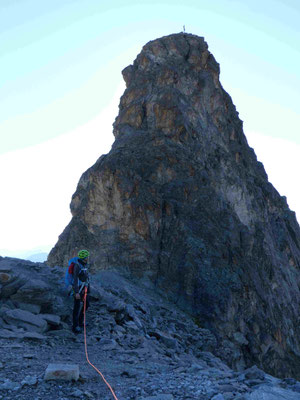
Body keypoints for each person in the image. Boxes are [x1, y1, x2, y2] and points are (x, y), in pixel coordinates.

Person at [70, 249, 90, 334]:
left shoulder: (85, 265)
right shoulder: (77, 266)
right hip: (78, 288)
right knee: (77, 307)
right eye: (87, 257)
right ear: (84, 258)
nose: (88, 258)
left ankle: (80, 321)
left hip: (84, 287)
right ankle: (75, 326)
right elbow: (75, 279)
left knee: (87, 304)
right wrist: (77, 292)